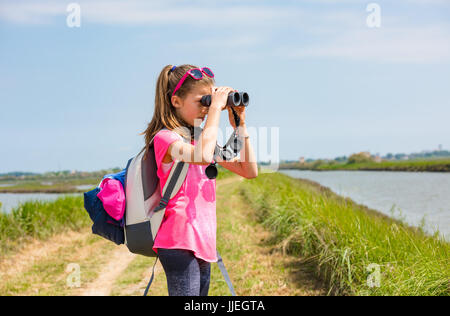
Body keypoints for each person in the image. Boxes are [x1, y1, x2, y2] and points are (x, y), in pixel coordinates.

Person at [141, 64, 258, 296]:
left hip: (203, 240)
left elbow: (249, 170)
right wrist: (215, 108)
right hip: (178, 241)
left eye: (210, 101)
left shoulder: (200, 140)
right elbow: (203, 157)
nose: (207, 108)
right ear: (176, 101)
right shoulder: (166, 139)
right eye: (202, 101)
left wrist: (240, 125)